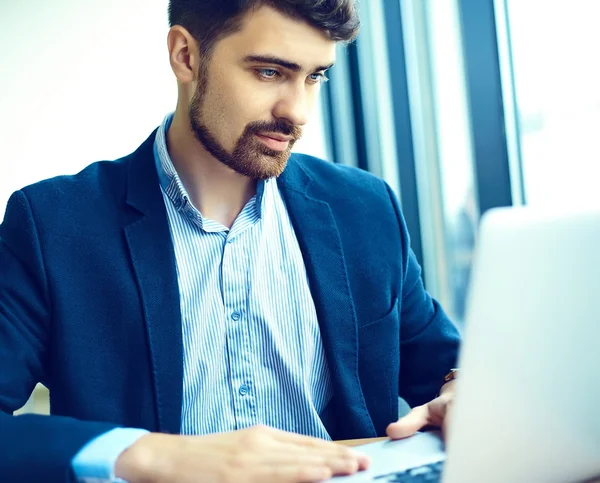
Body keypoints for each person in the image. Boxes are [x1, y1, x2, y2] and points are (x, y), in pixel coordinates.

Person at [0, 1, 461, 482]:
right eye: (268, 72)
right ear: (185, 56)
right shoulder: (53, 225)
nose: (296, 111)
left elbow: (444, 365)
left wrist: (459, 390)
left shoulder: (365, 208)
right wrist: (154, 457)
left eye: (314, 77)